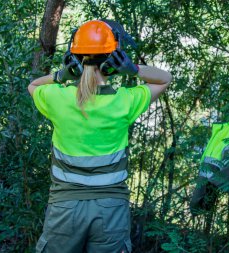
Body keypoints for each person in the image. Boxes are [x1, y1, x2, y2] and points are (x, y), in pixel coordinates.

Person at [28, 19, 172, 253]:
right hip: (111, 209)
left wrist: (60, 75)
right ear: (113, 62)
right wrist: (133, 69)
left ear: (74, 59)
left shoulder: (57, 98)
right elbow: (165, 79)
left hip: (64, 207)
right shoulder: (124, 101)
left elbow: (33, 86)